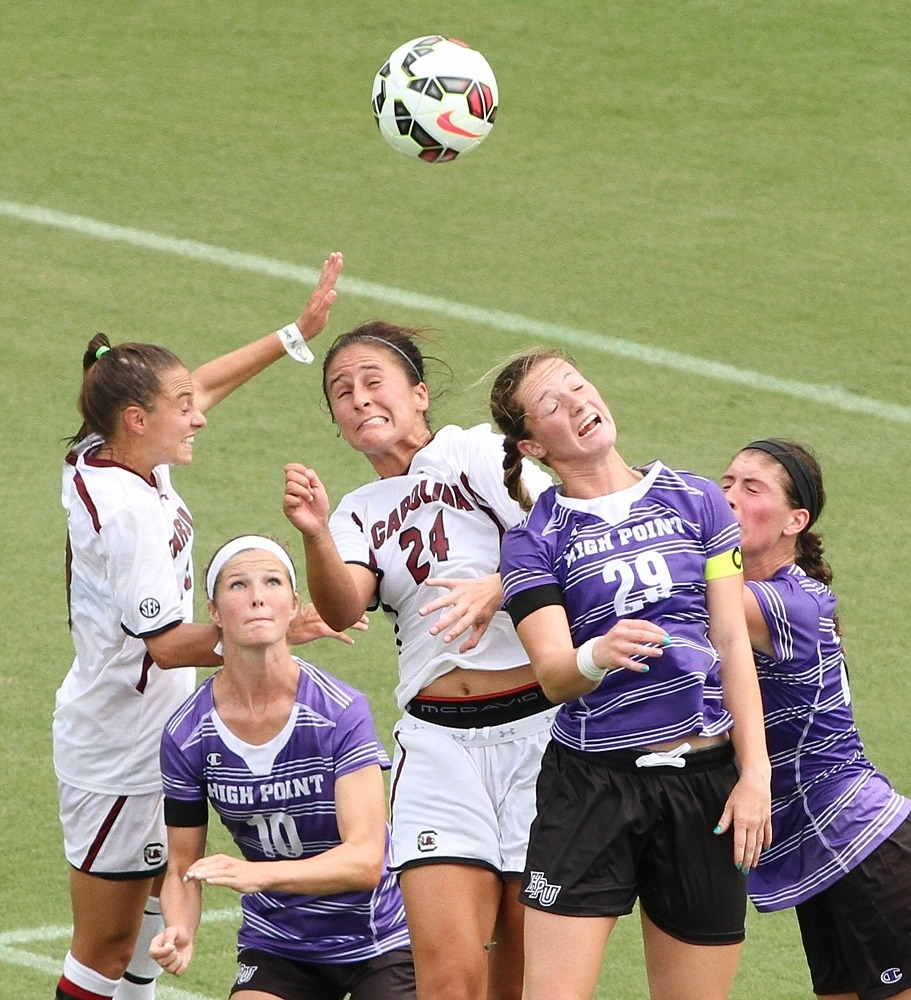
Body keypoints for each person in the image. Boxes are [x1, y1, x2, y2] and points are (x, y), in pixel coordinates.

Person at [54, 253, 346, 1000]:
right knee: (106, 942)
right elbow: (166, 643)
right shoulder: (126, 516)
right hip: (118, 743)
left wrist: (294, 333)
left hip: (159, 724)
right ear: (138, 419)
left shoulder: (122, 453)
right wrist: (271, 628)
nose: (201, 415)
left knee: (162, 908)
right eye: (182, 406)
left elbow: (203, 383)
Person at [281, 320, 557, 1000]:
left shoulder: (477, 451)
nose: (358, 399)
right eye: (341, 392)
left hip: (536, 735)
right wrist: (316, 536)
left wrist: (499, 587)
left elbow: (566, 533)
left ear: (420, 394)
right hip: (436, 745)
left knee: (519, 970)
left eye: (373, 381)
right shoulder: (355, 510)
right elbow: (346, 606)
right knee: (449, 977)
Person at [488, 349, 772, 1000]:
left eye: (578, 386)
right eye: (553, 404)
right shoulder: (533, 540)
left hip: (704, 786)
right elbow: (556, 676)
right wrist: (598, 653)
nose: (578, 403)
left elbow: (730, 640)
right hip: (592, 786)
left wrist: (754, 773)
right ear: (532, 443)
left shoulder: (695, 500)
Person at [150, 535, 415, 1000]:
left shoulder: (338, 711)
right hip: (278, 944)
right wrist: (180, 928)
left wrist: (261, 876)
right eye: (238, 585)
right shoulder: (186, 733)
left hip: (381, 938)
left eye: (272, 582)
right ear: (213, 611)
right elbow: (181, 867)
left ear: (293, 605)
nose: (256, 596)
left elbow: (365, 860)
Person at [721, 439, 911, 1000]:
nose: (730, 497)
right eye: (726, 483)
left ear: (794, 521)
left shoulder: (787, 603)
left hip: (863, 847)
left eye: (752, 489)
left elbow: (690, 596)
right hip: (821, 860)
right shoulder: (760, 594)